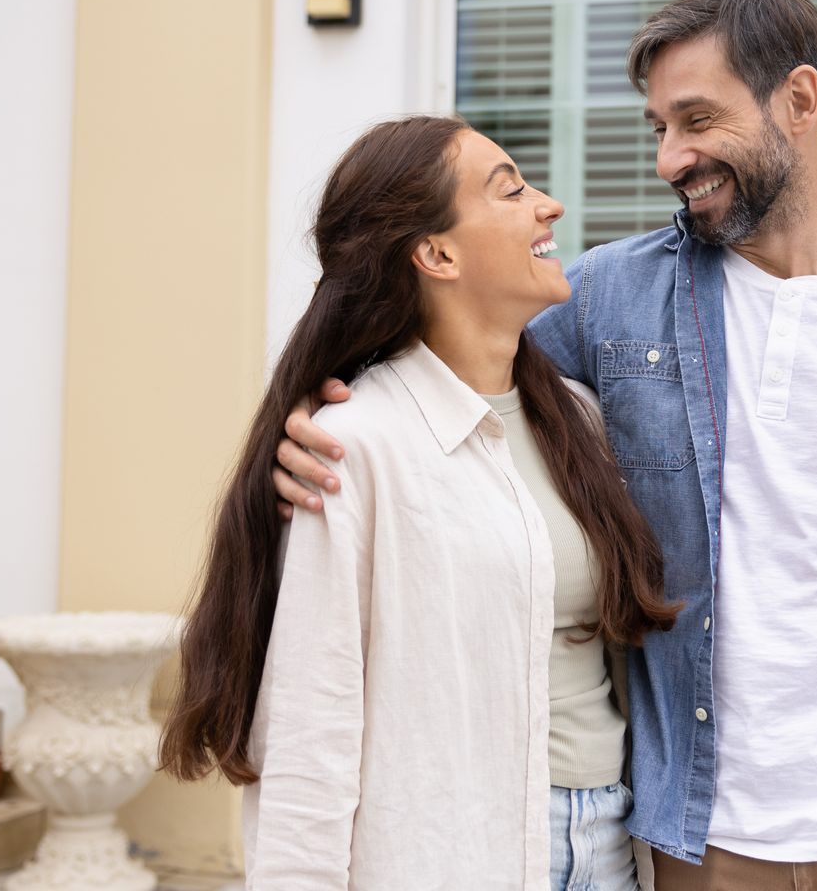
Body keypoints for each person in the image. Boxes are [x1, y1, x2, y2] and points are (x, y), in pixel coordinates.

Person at [275, 0, 817, 890]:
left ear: (799, 100)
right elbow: (443, 374)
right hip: (700, 837)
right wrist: (314, 417)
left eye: (696, 121)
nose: (670, 157)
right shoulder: (609, 298)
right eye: (658, 128)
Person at [160, 115, 677, 889]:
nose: (549, 206)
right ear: (436, 253)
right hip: (459, 849)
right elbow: (313, 729)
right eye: (511, 190)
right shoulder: (353, 447)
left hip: (607, 844)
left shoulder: (578, 420)